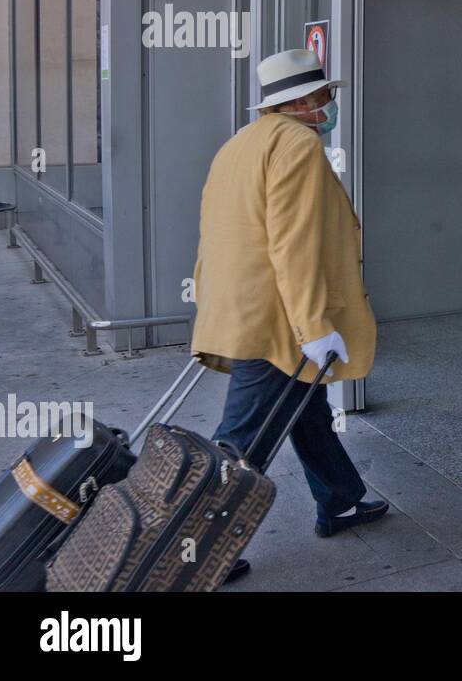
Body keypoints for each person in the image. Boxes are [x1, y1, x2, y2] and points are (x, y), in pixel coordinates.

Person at [190, 48, 386, 583]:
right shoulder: (297, 144)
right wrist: (313, 327)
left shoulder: (240, 144)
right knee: (243, 438)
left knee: (306, 410)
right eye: (325, 96)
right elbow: (293, 244)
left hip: (239, 308)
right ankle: (195, 547)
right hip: (275, 321)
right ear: (301, 101)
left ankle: (341, 498)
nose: (330, 104)